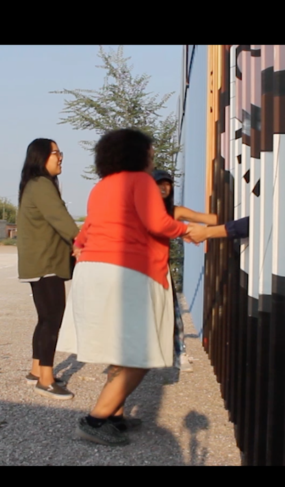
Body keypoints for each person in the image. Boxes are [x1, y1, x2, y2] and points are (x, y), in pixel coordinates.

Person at [57, 128, 205, 446]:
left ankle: (115, 416)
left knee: (121, 349)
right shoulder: (141, 181)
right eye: (150, 153)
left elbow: (86, 231)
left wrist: (80, 246)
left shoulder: (101, 186)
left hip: (94, 272)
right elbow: (158, 223)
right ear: (138, 153)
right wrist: (188, 231)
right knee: (141, 353)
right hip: (127, 273)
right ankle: (94, 421)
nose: (152, 158)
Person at [16, 138, 80, 400]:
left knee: (45, 319)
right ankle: (46, 380)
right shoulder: (41, 184)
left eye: (60, 152)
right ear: (40, 156)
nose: (60, 157)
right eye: (55, 152)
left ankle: (36, 371)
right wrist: (82, 242)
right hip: (46, 264)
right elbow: (61, 220)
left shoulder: (36, 184)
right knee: (52, 320)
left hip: (41, 262)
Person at [151, 169, 213, 372]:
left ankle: (179, 353)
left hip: (162, 268)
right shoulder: (143, 210)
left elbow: (204, 218)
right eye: (159, 183)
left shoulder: (174, 211)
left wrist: (230, 223)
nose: (164, 187)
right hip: (140, 269)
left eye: (167, 184)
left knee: (173, 311)